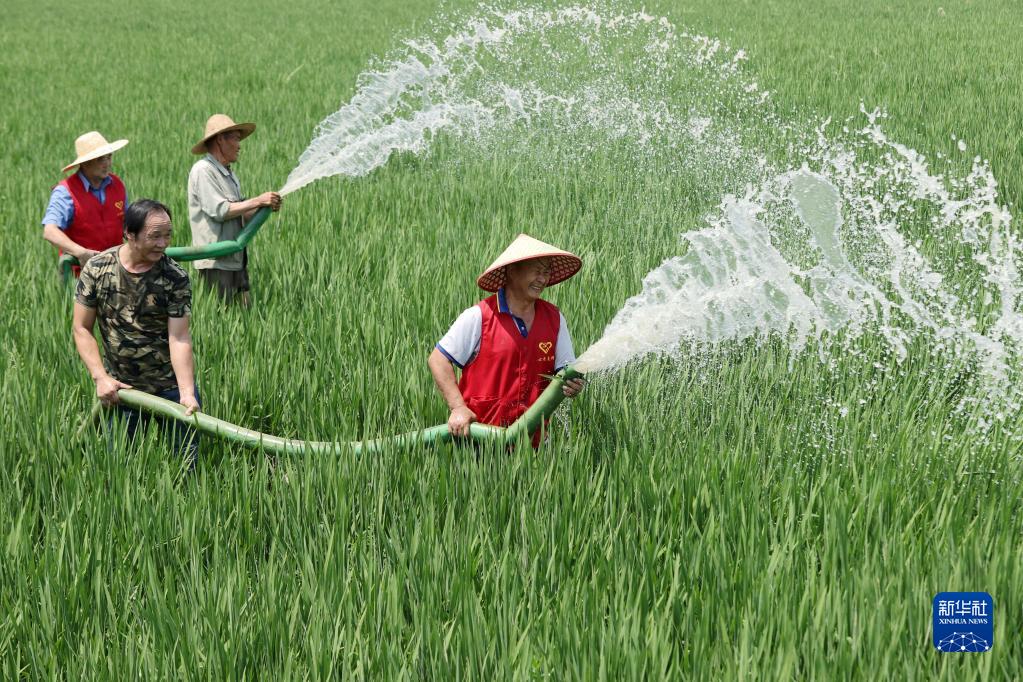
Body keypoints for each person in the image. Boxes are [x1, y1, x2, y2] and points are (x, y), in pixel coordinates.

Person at [72, 199, 202, 464]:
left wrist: (186, 392)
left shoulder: (175, 277)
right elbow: (81, 328)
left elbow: (179, 337)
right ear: (129, 234)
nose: (163, 243)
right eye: (155, 236)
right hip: (121, 389)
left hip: (170, 387)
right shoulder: (98, 269)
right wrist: (101, 378)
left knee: (186, 463)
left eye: (168, 235)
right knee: (121, 467)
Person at [429, 234, 586, 447]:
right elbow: (438, 360)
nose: (542, 279)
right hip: (478, 443)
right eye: (537, 271)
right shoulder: (479, 316)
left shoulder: (554, 319)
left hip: (533, 445)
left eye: (547, 272)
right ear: (512, 270)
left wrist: (573, 386)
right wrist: (458, 408)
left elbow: (565, 372)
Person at [187, 113, 282, 306]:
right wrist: (258, 200)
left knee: (245, 311)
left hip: (235, 258)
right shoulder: (203, 170)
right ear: (220, 140)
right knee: (220, 316)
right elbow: (220, 211)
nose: (239, 146)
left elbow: (240, 214)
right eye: (236, 139)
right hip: (215, 261)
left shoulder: (229, 174)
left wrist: (264, 207)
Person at [42, 131, 129, 275]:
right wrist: (80, 252)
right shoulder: (65, 192)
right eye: (100, 159)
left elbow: (128, 224)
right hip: (82, 276)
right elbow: (50, 231)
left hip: (117, 272)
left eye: (109, 157)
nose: (107, 163)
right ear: (85, 163)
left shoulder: (117, 184)